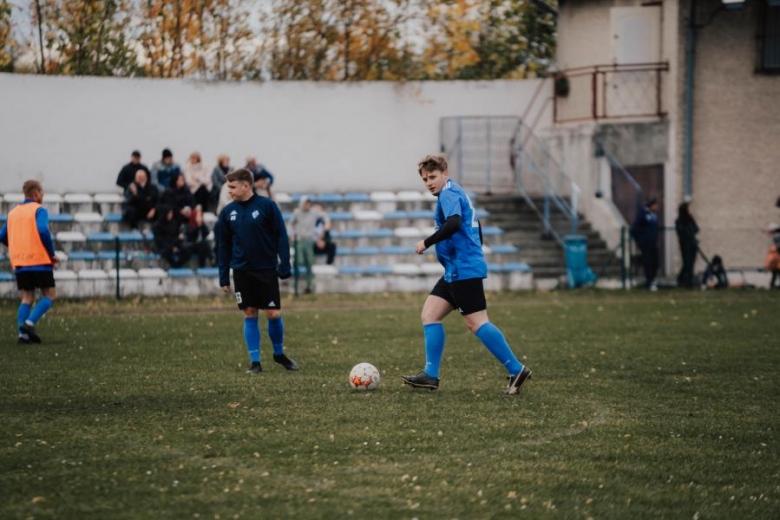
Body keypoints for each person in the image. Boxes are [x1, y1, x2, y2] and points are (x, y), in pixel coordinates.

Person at [401, 154, 531, 395]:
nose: (429, 182)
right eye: (425, 179)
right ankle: (430, 374)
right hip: (455, 269)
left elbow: (454, 223)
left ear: (445, 174)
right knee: (430, 314)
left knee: (476, 322)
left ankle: (516, 369)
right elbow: (476, 225)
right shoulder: (455, 191)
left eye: (433, 177)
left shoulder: (449, 194)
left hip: (463, 270)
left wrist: (427, 242)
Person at [215, 169, 297, 374]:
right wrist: (224, 276)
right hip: (241, 271)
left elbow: (281, 235)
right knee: (249, 313)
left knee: (273, 313)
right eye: (228, 187)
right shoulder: (227, 212)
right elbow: (223, 245)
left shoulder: (267, 206)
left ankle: (278, 354)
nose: (229, 191)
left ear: (245, 186)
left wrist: (284, 263)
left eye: (232, 187)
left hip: (266, 269)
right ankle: (255, 362)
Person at [0, 180, 57, 344]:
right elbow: (43, 230)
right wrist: (51, 253)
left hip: (20, 261)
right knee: (49, 294)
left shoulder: (13, 213)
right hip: (39, 259)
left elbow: (2, 236)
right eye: (42, 193)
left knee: (27, 297)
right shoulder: (39, 210)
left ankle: (22, 335)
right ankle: (29, 323)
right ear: (37, 193)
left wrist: (18, 247)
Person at [289, 197, 330, 294]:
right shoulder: (297, 212)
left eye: (309, 203)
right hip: (299, 239)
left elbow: (324, 215)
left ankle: (309, 286)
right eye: (306, 203)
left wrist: (327, 223)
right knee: (298, 262)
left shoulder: (314, 212)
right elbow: (290, 224)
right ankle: (296, 286)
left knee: (309, 263)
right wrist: (291, 234)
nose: (308, 205)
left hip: (309, 240)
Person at [631, 197, 660, 291]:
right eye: (655, 205)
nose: (657, 207)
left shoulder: (654, 215)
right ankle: (649, 281)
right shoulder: (643, 214)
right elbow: (634, 229)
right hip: (645, 243)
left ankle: (653, 279)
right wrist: (640, 240)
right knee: (648, 262)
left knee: (655, 262)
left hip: (653, 242)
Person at [675, 202, 699, 289]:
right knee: (687, 263)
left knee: (690, 263)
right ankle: (687, 281)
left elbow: (696, 229)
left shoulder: (690, 218)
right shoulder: (679, 221)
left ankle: (685, 279)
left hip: (692, 243)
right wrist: (687, 232)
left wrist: (691, 231)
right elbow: (681, 231)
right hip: (685, 244)